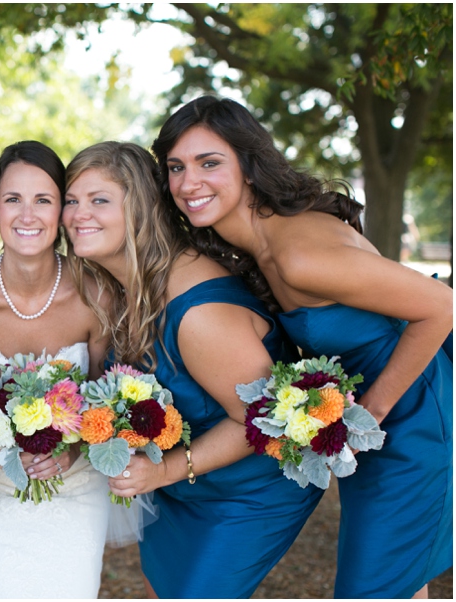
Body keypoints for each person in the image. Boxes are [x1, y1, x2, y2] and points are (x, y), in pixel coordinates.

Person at [150, 95, 453, 598]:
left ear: (248, 164)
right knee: (399, 581)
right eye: (176, 167)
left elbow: (441, 306)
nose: (188, 182)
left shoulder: (298, 254)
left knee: (373, 587)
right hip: (373, 423)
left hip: (416, 418)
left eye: (209, 163)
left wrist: (369, 414)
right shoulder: (259, 245)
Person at [62, 140, 325, 598]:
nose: (78, 214)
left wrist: (163, 472)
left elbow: (264, 419)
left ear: (140, 210)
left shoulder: (199, 313)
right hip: (185, 486)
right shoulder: (121, 288)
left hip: (250, 491)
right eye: (71, 200)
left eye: (99, 200)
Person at [0, 140, 111, 598]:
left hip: (75, 481)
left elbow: (105, 403)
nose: (27, 215)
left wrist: (69, 453)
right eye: (13, 199)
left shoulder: (97, 295)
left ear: (62, 211)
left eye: (43, 200)